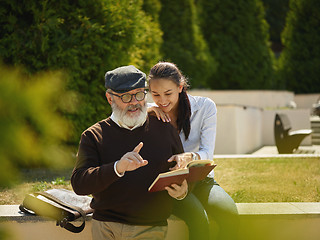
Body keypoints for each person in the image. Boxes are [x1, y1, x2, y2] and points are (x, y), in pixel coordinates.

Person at [71, 65, 188, 240]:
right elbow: (79, 184)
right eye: (126, 96)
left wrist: (183, 192)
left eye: (139, 94)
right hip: (105, 228)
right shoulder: (93, 135)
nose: (134, 102)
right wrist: (118, 167)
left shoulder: (165, 130)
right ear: (110, 98)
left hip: (149, 227)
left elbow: (182, 173)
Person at [147, 62, 239, 240]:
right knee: (199, 220)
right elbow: (116, 118)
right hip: (170, 184)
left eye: (168, 93)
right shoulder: (149, 112)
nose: (162, 101)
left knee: (229, 215)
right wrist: (146, 110)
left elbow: (208, 154)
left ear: (180, 87)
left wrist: (190, 156)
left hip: (201, 179)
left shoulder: (205, 107)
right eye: (155, 94)